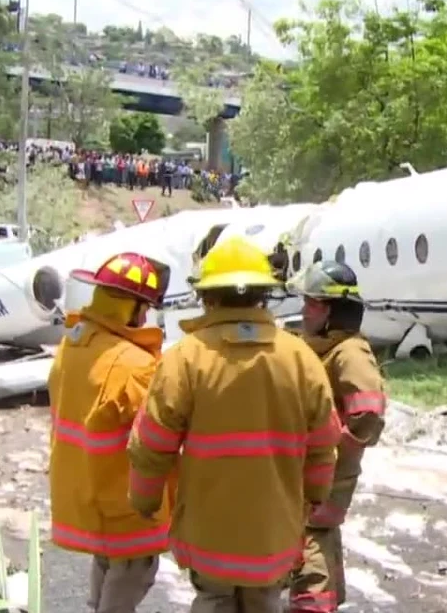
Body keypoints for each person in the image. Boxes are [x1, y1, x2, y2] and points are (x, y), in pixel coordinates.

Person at [127, 236, 340, 613]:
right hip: (273, 535)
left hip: (209, 536)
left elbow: (151, 444)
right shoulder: (301, 358)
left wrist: (144, 499)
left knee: (212, 602)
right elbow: (324, 444)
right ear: (262, 296)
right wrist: (314, 496)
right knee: (265, 603)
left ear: (208, 298)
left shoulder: (185, 359)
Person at [49, 252, 176, 613]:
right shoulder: (134, 365)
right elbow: (157, 434)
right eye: (145, 307)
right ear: (133, 307)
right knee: (135, 568)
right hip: (125, 497)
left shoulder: (72, 345)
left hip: (82, 484)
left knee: (106, 559)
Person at [285, 262, 387, 613]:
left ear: (330, 310)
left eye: (310, 303)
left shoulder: (349, 352)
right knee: (319, 535)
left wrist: (330, 447)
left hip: (328, 472)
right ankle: (325, 601)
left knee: (310, 537)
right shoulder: (327, 348)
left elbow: (369, 412)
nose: (303, 310)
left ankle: (311, 606)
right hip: (319, 468)